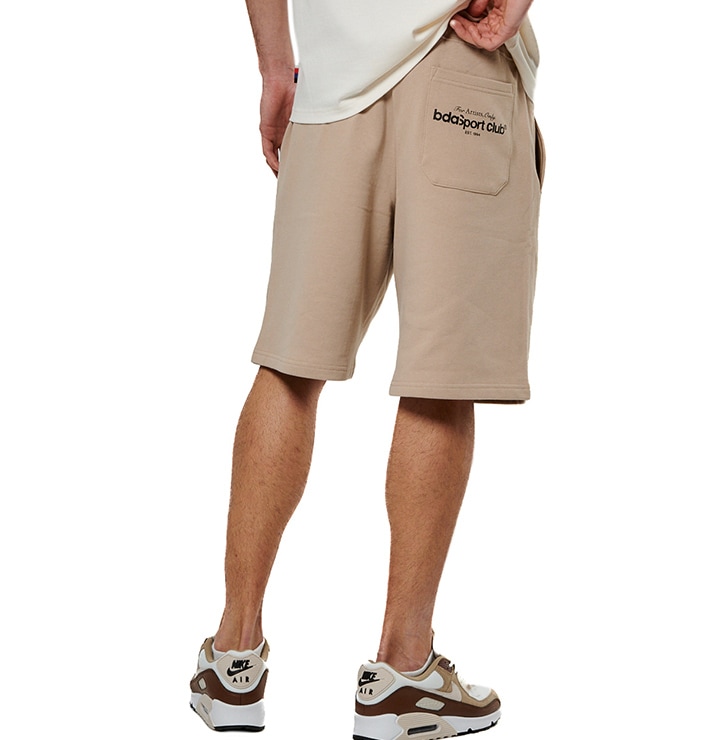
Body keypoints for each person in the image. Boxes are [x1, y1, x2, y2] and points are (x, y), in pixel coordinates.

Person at [189, 1, 543, 738]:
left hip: (329, 81)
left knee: (290, 362)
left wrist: (275, 66)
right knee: (441, 376)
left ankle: (233, 655)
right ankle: (402, 673)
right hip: (457, 59)